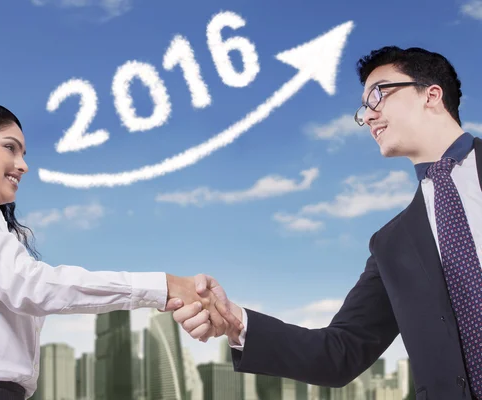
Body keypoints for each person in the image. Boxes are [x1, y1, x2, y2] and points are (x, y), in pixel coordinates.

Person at [173, 46, 482, 399]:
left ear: (431, 94)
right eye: (363, 108)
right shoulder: (392, 245)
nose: (367, 116)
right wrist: (237, 321)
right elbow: (340, 352)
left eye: (378, 95)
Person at [0, 101, 242, 400]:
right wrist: (162, 286)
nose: (23, 164)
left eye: (23, 152)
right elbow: (28, 285)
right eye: (10, 147)